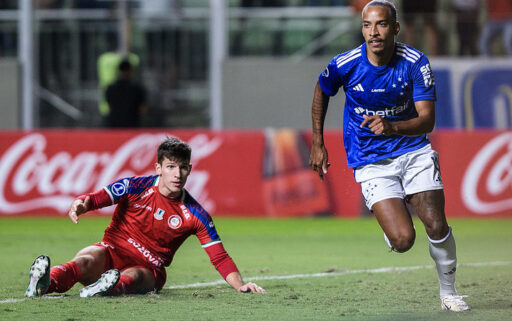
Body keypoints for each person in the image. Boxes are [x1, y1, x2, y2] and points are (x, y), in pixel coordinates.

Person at [309, 0, 469, 312]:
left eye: (381, 24)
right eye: (367, 25)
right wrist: (318, 141)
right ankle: (392, 230)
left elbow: (428, 120)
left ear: (395, 28)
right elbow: (321, 90)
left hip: (413, 150)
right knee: (403, 241)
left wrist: (392, 125)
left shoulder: (414, 62)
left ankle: (449, 293)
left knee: (436, 225)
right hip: (370, 158)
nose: (374, 32)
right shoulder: (345, 63)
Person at [25, 137, 266, 298]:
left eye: (183, 167)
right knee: (86, 260)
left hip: (149, 267)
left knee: (136, 276)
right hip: (112, 250)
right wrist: (80, 204)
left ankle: (103, 288)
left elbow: (219, 257)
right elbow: (97, 198)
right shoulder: (134, 186)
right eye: (171, 166)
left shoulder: (196, 215)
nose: (178, 174)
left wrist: (240, 285)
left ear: (190, 169)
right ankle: (45, 284)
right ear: (158, 167)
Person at [105, 59, 147, 128]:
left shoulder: (111, 88)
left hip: (114, 125)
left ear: (119, 71)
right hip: (133, 125)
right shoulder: (137, 88)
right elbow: (143, 110)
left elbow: (109, 108)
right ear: (131, 71)